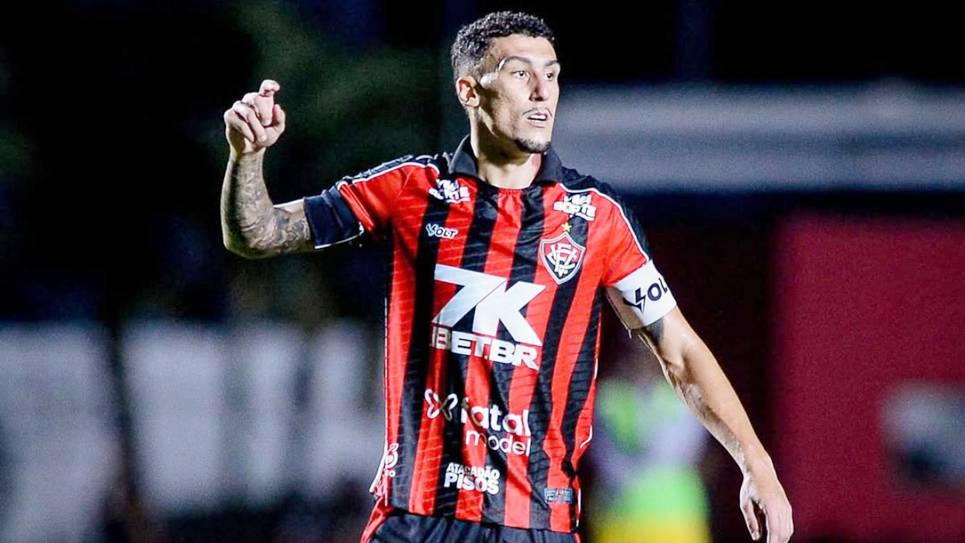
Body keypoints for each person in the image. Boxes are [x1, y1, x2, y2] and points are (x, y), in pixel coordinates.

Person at [220, 10, 793, 543]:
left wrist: (756, 464)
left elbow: (680, 351)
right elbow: (258, 233)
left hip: (534, 524)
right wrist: (247, 156)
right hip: (416, 519)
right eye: (521, 74)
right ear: (469, 90)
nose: (543, 91)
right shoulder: (410, 190)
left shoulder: (595, 218)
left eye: (552, 75)